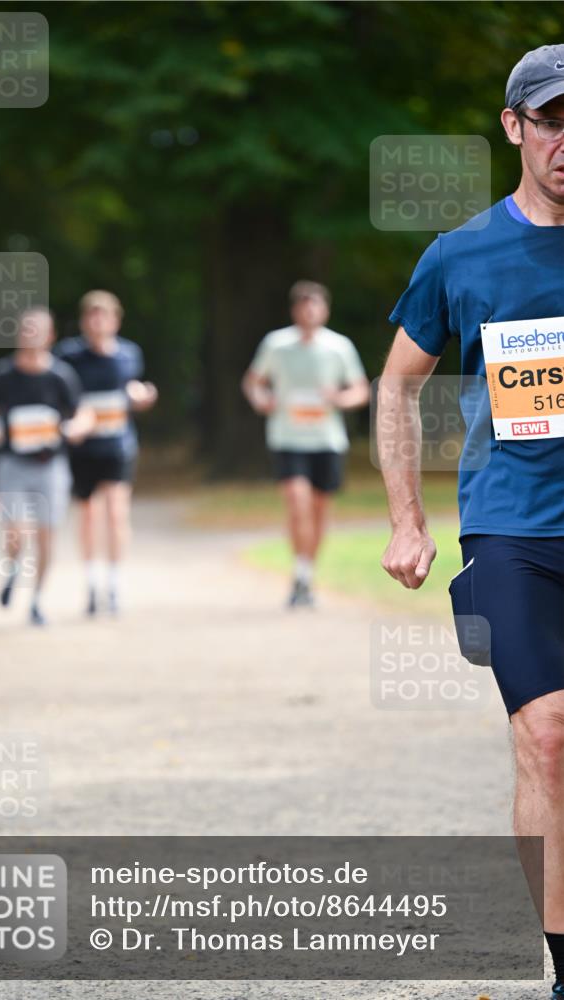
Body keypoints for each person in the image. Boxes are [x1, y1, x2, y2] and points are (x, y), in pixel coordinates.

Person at [378, 45, 564, 998]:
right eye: (551, 119)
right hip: (513, 528)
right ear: (514, 128)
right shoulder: (461, 255)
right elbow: (396, 388)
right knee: (546, 735)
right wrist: (407, 521)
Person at [0, 307, 88, 625]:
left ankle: (37, 599)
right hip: (11, 464)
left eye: (37, 330)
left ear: (50, 336)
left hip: (51, 465)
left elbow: (81, 412)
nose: (30, 335)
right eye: (26, 329)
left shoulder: (61, 376)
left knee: (46, 536)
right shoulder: (3, 374)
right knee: (16, 533)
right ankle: (13, 568)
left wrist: (79, 426)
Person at [242, 280, 370, 607]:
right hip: (287, 437)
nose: (309, 310)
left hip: (327, 440)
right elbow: (253, 381)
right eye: (303, 304)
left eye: (315, 304)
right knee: (297, 503)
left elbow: (360, 390)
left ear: (324, 309)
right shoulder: (276, 344)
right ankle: (300, 572)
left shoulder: (339, 346)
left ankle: (306, 575)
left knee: (319, 510)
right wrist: (261, 399)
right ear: (295, 309)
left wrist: (339, 398)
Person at [55, 290, 158, 616]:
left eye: (104, 315)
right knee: (88, 516)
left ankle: (114, 583)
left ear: (116, 320)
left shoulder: (129, 355)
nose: (98, 322)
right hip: (83, 448)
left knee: (116, 513)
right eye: (92, 316)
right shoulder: (68, 357)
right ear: (84, 321)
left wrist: (142, 397)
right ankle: (91, 581)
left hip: (118, 445)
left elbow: (132, 391)